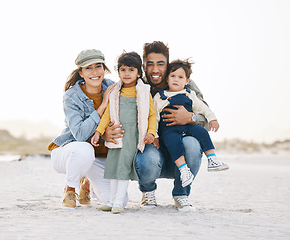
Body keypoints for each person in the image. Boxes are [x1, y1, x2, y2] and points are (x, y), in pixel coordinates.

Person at [102, 41, 208, 212]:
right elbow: (114, 111)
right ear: (143, 66)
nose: (155, 70)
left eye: (161, 64)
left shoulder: (184, 82)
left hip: (179, 148)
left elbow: (208, 119)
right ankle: (148, 193)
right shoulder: (136, 85)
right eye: (150, 64)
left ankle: (181, 195)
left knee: (194, 145)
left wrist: (191, 117)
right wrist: (105, 132)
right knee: (147, 156)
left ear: (168, 64)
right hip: (152, 148)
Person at [48, 49, 117, 209]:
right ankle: (70, 188)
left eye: (98, 66)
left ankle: (86, 182)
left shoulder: (114, 88)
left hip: (98, 156)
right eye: (88, 68)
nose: (94, 72)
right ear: (81, 72)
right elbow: (80, 135)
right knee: (84, 149)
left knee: (114, 201)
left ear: (104, 68)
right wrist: (103, 106)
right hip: (69, 151)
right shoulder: (71, 96)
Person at [91, 52, 157, 214]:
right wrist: (99, 132)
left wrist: (151, 133)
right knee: (113, 169)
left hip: (132, 138)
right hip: (116, 136)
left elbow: (151, 115)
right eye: (123, 69)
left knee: (123, 170)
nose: (127, 73)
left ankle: (119, 202)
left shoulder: (142, 91)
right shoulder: (115, 91)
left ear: (139, 73)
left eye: (131, 70)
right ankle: (112, 201)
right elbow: (107, 114)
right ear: (118, 72)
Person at [153, 58, 229, 188]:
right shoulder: (160, 97)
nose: (176, 79)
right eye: (173, 76)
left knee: (202, 132)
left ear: (187, 81)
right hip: (169, 130)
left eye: (180, 77)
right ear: (167, 78)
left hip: (187, 127)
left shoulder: (189, 94)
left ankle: (212, 159)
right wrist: (155, 135)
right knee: (173, 143)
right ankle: (184, 170)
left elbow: (203, 108)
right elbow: (154, 118)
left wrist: (212, 119)